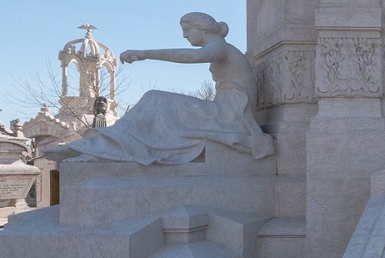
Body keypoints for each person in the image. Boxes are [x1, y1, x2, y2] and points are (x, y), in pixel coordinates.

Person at [63, 12, 274, 165]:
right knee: (156, 102)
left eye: (187, 30)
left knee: (155, 99)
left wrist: (145, 54)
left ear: (203, 29)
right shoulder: (221, 48)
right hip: (225, 112)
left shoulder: (220, 47)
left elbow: (191, 57)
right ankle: (106, 146)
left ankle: (107, 147)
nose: (185, 36)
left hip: (232, 117)